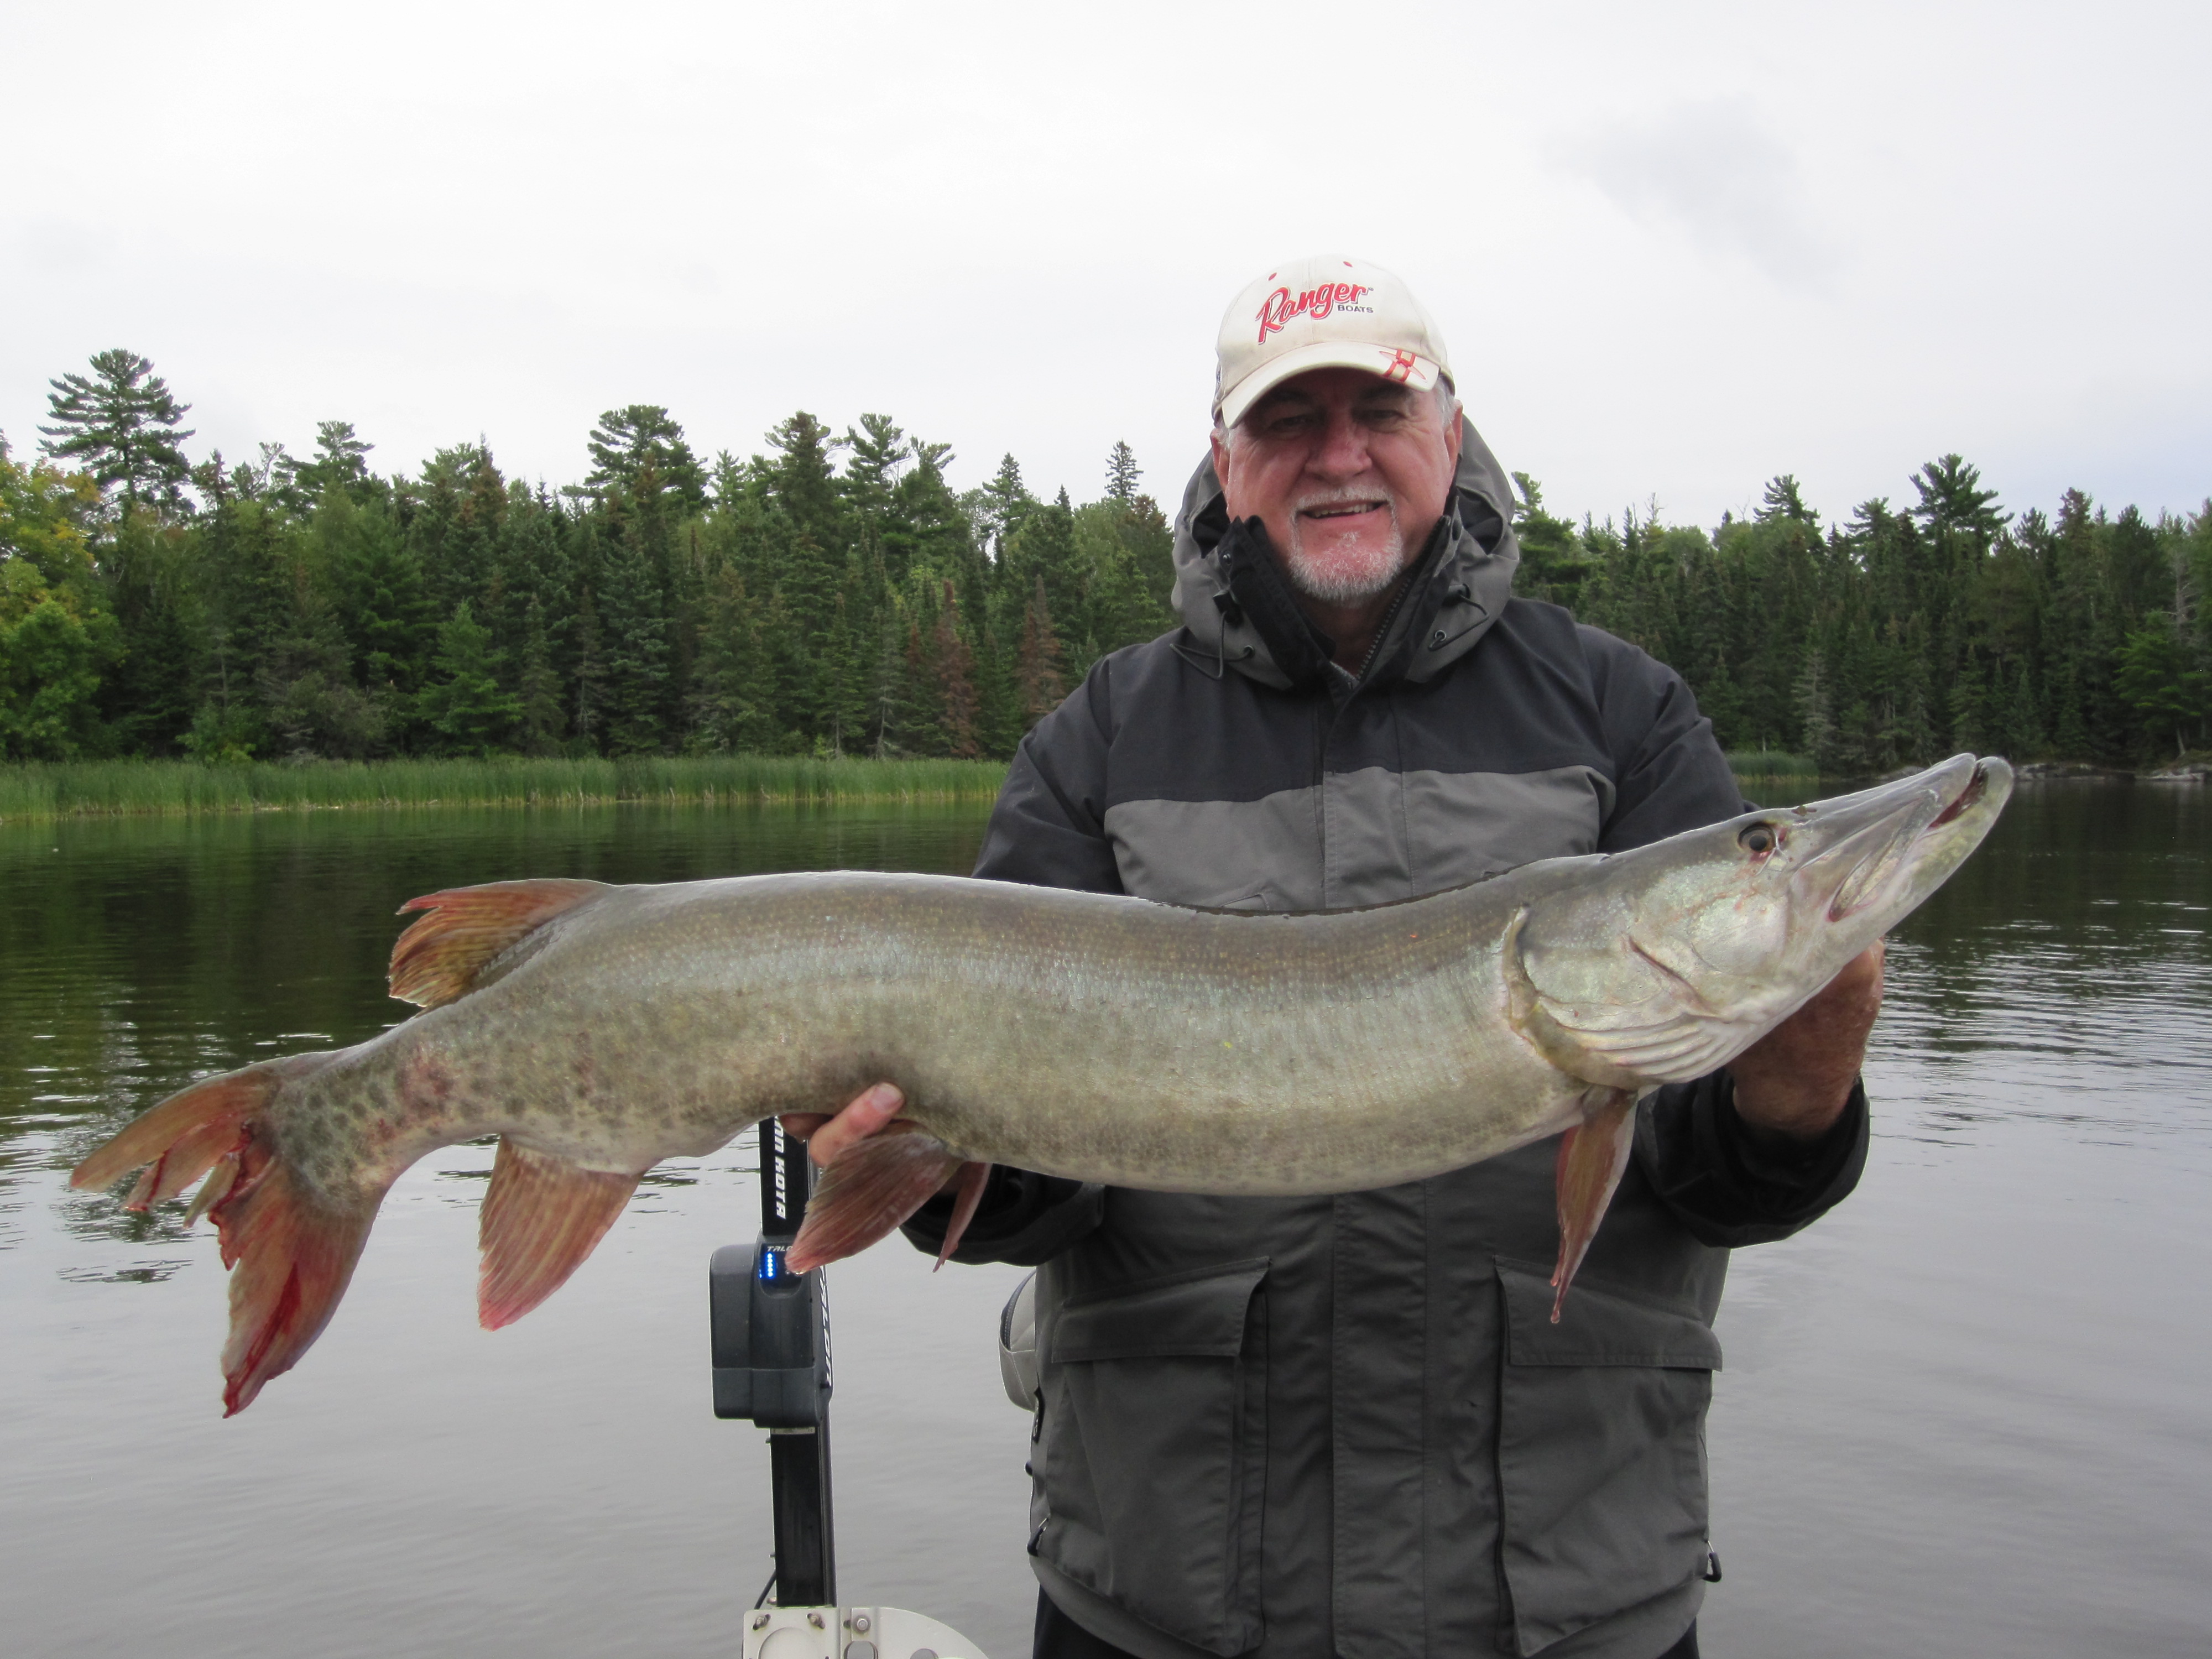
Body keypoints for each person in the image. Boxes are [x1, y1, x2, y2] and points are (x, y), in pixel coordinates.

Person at [789, 256, 1882, 1659]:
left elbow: (1707, 1183)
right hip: (1167, 1595)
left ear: (1448, 430)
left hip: (1555, 1592)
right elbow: (1036, 1202)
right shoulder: (1103, 739)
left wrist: (1794, 1100)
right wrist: (921, 1150)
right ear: (1223, 460)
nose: (1338, 456)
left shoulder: (1621, 714)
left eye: (1375, 410)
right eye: (1286, 421)